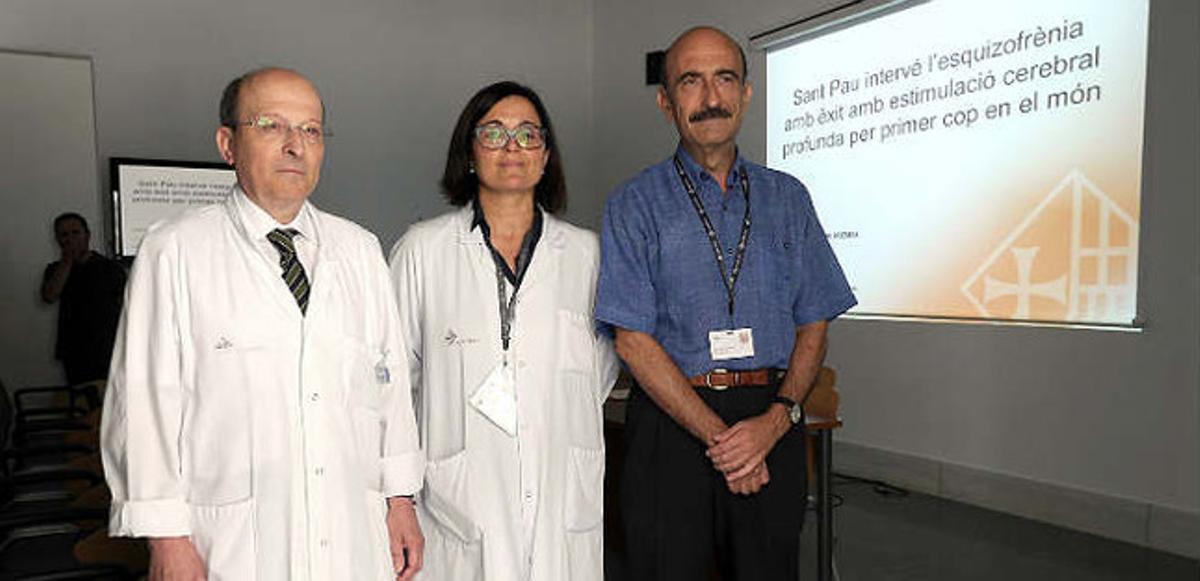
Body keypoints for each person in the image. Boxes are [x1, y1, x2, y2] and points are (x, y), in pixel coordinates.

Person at [100, 67, 425, 580]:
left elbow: (391, 393)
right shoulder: (175, 251)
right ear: (228, 144)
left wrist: (401, 499)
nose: (295, 145)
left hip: (352, 535)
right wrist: (166, 538)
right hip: (230, 545)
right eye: (272, 126)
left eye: (311, 130)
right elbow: (142, 404)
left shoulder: (360, 250)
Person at [595, 27, 857, 580]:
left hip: (773, 418)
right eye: (691, 81)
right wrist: (724, 442)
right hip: (671, 427)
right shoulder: (633, 205)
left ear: (746, 94)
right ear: (666, 102)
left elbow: (814, 321)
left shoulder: (789, 197)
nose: (710, 97)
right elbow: (632, 341)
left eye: (725, 79)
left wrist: (774, 422)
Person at [389, 81, 618, 580]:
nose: (512, 147)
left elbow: (598, 373)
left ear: (545, 155)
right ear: (469, 153)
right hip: (458, 496)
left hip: (561, 488)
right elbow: (392, 384)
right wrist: (398, 494)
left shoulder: (588, 255)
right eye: (493, 133)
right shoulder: (422, 251)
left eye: (527, 134)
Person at [41, 212, 127, 385]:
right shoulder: (55, 269)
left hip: (108, 347)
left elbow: (126, 306)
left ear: (87, 235)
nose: (70, 239)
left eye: (75, 233)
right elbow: (50, 295)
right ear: (58, 240)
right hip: (74, 350)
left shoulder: (109, 268)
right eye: (64, 235)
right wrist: (67, 261)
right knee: (80, 402)